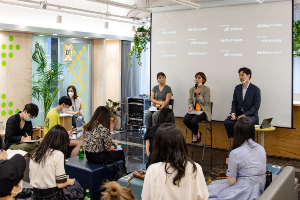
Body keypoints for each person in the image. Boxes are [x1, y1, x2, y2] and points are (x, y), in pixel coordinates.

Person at [141, 123, 209, 200]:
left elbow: (146, 197)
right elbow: (204, 197)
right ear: (181, 143)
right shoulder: (196, 168)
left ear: (157, 145)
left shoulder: (153, 170)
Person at [208, 117, 266, 200]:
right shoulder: (261, 148)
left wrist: (230, 166)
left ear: (237, 133)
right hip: (259, 188)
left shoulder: (235, 153)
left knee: (210, 190)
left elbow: (231, 181)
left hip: (245, 191)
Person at [29, 125, 75, 200]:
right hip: (51, 195)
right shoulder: (58, 154)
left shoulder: (35, 154)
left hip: (35, 194)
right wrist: (69, 181)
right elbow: (60, 184)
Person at [224, 67, 261, 138]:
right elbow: (234, 102)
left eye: (242, 75)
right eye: (239, 75)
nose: (240, 77)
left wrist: (245, 115)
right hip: (239, 116)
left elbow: (256, 106)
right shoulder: (237, 88)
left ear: (248, 75)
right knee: (227, 122)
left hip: (250, 116)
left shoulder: (256, 89)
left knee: (244, 124)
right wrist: (233, 113)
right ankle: (236, 139)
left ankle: (245, 142)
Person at [183, 72, 211, 143]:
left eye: (199, 78)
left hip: (203, 110)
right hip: (194, 110)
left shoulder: (207, 89)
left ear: (203, 80)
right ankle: (197, 132)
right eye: (196, 78)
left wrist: (199, 94)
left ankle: (195, 135)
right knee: (185, 120)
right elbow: (190, 100)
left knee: (194, 121)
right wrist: (191, 106)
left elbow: (205, 102)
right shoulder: (192, 89)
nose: (197, 80)